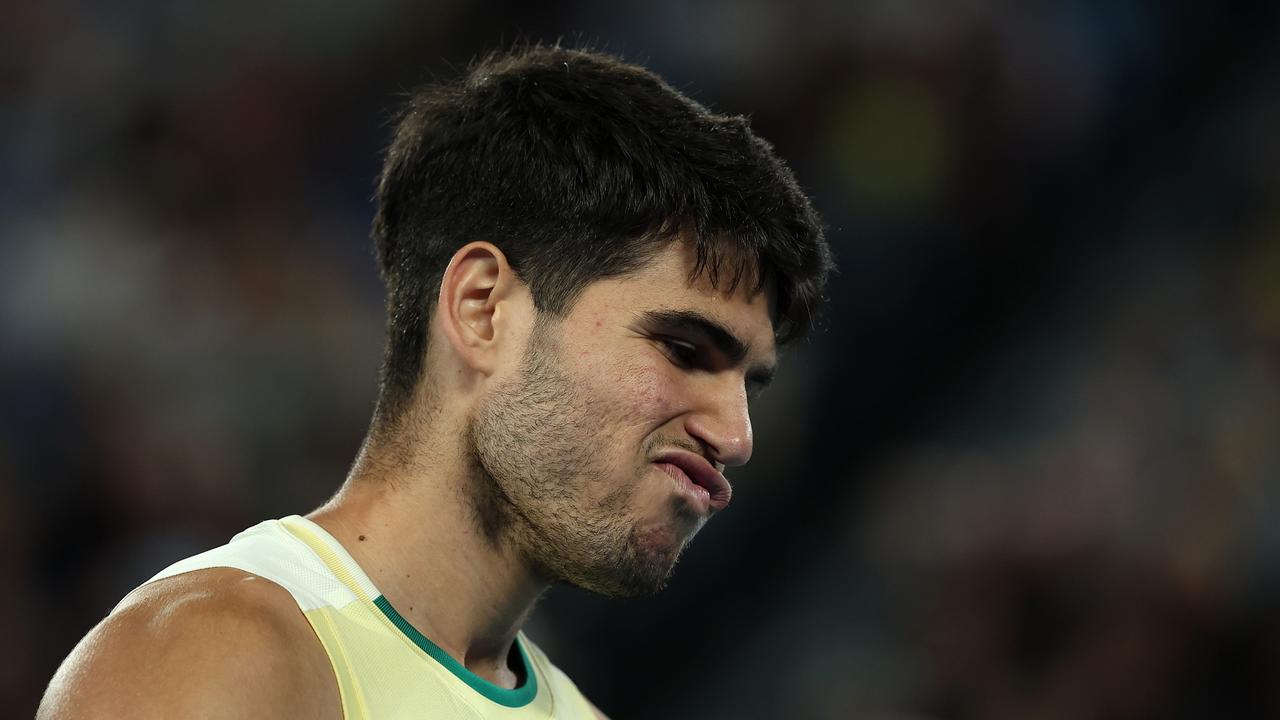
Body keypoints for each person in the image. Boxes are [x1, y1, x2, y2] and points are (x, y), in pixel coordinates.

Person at [37, 45, 832, 719]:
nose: (735, 436)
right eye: (686, 350)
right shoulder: (214, 660)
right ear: (485, 309)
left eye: (749, 385)